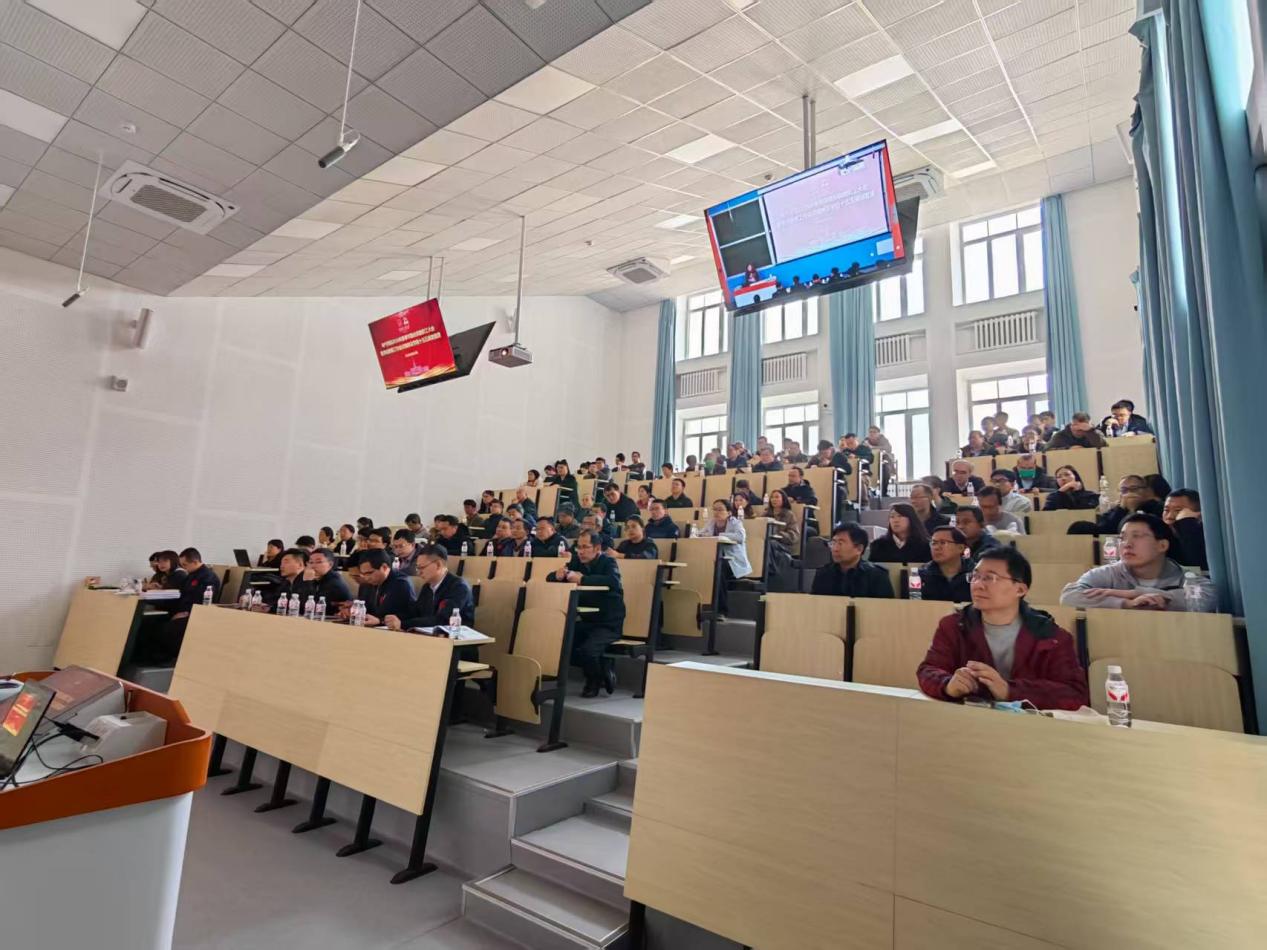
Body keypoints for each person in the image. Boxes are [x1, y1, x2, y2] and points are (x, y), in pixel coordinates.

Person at [917, 548, 1088, 709]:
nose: (977, 585)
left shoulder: (1051, 636)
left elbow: (1075, 693)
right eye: (975, 576)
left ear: (1020, 589)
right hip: (969, 721)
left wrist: (1009, 690)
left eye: (989, 578)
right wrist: (947, 685)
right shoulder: (954, 626)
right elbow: (927, 670)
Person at [1060, 513, 1216, 611]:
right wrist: (1127, 603)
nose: (1127, 544)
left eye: (1137, 536)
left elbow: (1205, 600)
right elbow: (1069, 596)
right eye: (1122, 538)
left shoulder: (1185, 577)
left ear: (1162, 545)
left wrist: (1135, 593)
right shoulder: (1109, 573)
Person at [548, 531, 625, 697]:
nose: (580, 552)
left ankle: (594, 681)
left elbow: (613, 582)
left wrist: (583, 579)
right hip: (587, 619)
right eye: (578, 547)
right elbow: (551, 577)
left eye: (585, 547)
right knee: (562, 644)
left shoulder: (608, 562)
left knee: (588, 651)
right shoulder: (576, 561)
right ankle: (603, 669)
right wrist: (556, 576)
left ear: (597, 548)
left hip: (608, 622)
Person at [142, 548, 222, 663]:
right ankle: (148, 658)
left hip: (194, 614)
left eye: (185, 565)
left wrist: (186, 613)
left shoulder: (208, 577)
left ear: (195, 562)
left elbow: (202, 601)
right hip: (181, 611)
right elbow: (181, 594)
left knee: (165, 629)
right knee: (149, 623)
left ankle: (165, 659)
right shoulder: (190, 575)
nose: (183, 568)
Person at [386, 544, 474, 631]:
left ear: (438, 565)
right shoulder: (427, 587)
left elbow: (442, 620)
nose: (419, 573)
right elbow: (415, 612)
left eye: (422, 568)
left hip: (455, 636)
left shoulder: (458, 587)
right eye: (417, 568)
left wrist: (402, 624)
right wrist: (393, 619)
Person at [695, 499, 751, 617]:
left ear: (729, 512)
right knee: (704, 567)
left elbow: (741, 537)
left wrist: (720, 535)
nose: (716, 512)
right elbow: (700, 534)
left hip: (733, 562)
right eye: (714, 509)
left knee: (718, 569)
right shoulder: (711, 522)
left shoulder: (735, 523)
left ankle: (721, 610)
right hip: (716, 559)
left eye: (720, 509)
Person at [810, 523, 894, 597]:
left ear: (859, 549)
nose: (835, 549)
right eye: (833, 543)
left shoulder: (877, 576)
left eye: (840, 543)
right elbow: (815, 605)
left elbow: (886, 608)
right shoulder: (823, 574)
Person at [1068, 474, 1163, 535]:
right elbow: (1107, 532)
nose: (1129, 493)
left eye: (1134, 489)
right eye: (1124, 490)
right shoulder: (1114, 511)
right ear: (1119, 494)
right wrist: (1122, 509)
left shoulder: (1156, 507)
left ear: (1145, 491)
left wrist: (1133, 511)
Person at [349, 548, 415, 626]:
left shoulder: (401, 584)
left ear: (384, 567)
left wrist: (380, 621)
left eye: (369, 573)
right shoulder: (369, 583)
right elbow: (366, 608)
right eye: (363, 574)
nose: (366, 578)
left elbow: (408, 615)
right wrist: (354, 612)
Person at [917, 527, 973, 602]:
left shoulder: (975, 574)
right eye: (934, 543)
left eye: (943, 543)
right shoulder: (922, 574)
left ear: (960, 548)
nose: (936, 548)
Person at [868, 503, 932, 564]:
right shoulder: (878, 545)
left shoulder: (925, 545)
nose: (895, 520)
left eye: (900, 516)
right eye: (892, 517)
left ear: (911, 519)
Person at [1163, 489, 1208, 570]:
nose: (1169, 516)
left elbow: (1198, 568)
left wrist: (1187, 523)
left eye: (1178, 510)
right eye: (1166, 510)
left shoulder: (1204, 537)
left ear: (1198, 514)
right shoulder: (1159, 537)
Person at [766, 489, 800, 568]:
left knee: (770, 543)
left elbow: (794, 536)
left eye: (777, 497)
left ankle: (770, 569)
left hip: (784, 545)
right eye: (772, 497)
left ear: (783, 499)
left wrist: (778, 535)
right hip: (769, 541)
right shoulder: (766, 514)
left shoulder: (789, 515)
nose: (774, 499)